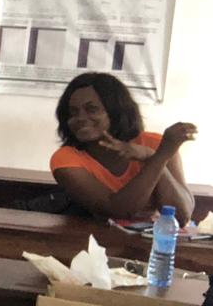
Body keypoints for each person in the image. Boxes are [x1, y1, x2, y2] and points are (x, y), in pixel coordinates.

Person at [51, 72, 196, 226]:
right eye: (73, 112)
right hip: (99, 242)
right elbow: (120, 210)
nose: (80, 118)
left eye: (92, 109)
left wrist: (152, 155)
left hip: (157, 241)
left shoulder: (155, 143)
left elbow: (182, 216)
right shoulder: (66, 159)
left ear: (116, 111)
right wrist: (157, 157)